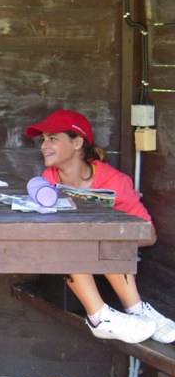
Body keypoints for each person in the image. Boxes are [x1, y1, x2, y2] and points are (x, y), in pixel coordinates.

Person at [25, 108, 175, 345]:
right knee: (69, 240)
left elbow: (149, 234)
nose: (44, 145)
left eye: (52, 138)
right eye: (43, 140)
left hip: (111, 273)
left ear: (77, 143)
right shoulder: (47, 180)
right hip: (65, 275)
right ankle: (99, 317)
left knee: (107, 234)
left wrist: (103, 236)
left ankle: (136, 309)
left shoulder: (114, 181)